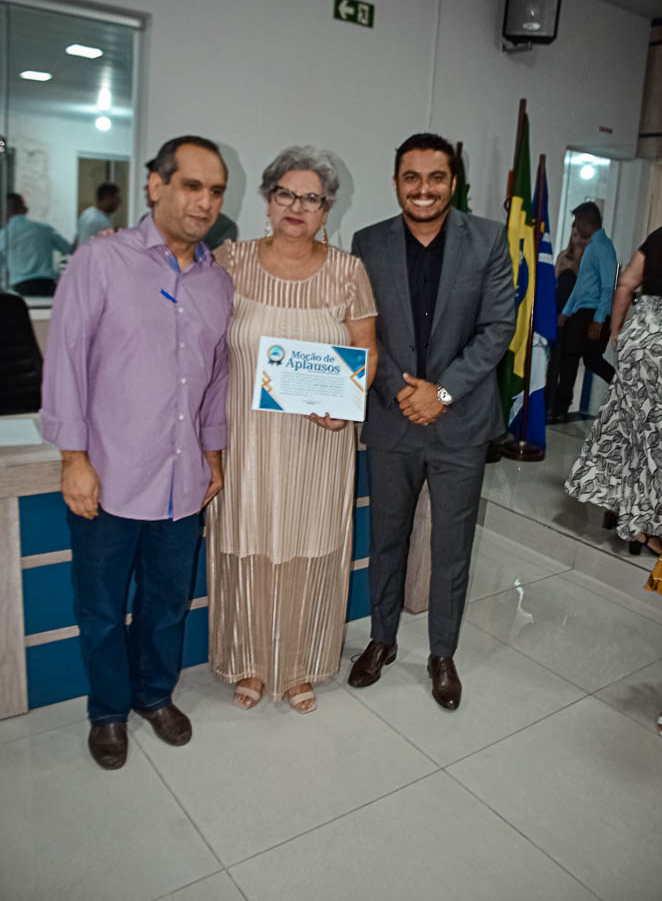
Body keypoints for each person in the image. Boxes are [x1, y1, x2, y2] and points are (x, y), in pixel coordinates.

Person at [40, 136, 233, 769]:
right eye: (191, 185)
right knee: (99, 607)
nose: (203, 202)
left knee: (164, 603)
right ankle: (107, 712)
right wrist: (73, 456)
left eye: (215, 190)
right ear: (156, 186)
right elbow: (66, 360)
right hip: (109, 475)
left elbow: (217, 376)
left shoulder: (217, 282)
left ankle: (154, 696)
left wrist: (214, 452)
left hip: (182, 480)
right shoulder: (101, 261)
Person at [206, 145, 377, 714]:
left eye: (311, 198)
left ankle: (301, 666)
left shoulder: (349, 271)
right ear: (268, 199)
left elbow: (367, 350)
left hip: (318, 438)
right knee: (247, 544)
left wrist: (347, 404)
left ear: (327, 210)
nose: (297, 207)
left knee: (310, 545)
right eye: (286, 194)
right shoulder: (230, 261)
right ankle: (248, 663)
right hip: (245, 437)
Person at [348, 132, 515, 710]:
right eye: (411, 177)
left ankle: (442, 653)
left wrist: (440, 392)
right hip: (393, 418)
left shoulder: (489, 240)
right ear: (396, 182)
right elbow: (361, 328)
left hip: (460, 422)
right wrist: (400, 389)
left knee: (451, 545)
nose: (423, 189)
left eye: (436, 177)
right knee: (386, 538)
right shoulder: (366, 243)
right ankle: (381, 640)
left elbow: (497, 329)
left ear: (453, 181)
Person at [565, 226, 662, 560]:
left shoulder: (658, 237)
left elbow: (625, 286)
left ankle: (625, 515)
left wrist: (618, 331)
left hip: (642, 339)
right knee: (655, 440)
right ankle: (645, 527)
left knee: (630, 429)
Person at [548, 201, 617, 422]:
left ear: (587, 223)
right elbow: (581, 287)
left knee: (581, 359)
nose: (577, 229)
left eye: (578, 224)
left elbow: (608, 286)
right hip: (581, 312)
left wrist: (598, 320)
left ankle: (623, 388)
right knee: (579, 359)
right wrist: (566, 313)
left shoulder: (604, 248)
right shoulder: (592, 247)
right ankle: (560, 407)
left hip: (592, 313)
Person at [545, 216, 592, 417]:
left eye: (581, 235)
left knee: (569, 363)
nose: (577, 239)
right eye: (574, 235)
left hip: (576, 315)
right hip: (558, 310)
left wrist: (575, 269)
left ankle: (562, 406)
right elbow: (552, 281)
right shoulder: (564, 255)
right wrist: (562, 268)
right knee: (553, 360)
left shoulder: (589, 259)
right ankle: (548, 403)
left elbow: (587, 287)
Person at [0, 193, 72, 295]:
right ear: (25, 209)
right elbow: (69, 249)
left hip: (21, 288)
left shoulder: (4, 235)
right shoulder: (44, 229)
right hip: (47, 286)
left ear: (5, 212)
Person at [76, 181, 121, 246]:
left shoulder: (86, 213)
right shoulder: (102, 221)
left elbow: (77, 239)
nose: (117, 204)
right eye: (117, 199)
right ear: (107, 198)